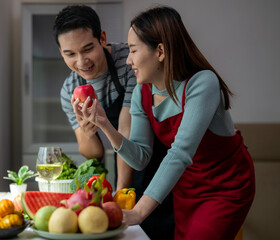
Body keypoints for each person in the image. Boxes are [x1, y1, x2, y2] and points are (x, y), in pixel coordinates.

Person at [72, 5, 256, 240]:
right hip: (187, 186)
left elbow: (180, 152)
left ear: (160, 51)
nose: (128, 60)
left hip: (225, 187)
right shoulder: (142, 92)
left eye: (133, 50)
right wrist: (105, 124)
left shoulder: (203, 83)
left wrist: (139, 212)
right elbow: (140, 158)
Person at [53, 5, 174, 239]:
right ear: (61, 52)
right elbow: (94, 154)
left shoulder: (129, 63)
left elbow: (126, 130)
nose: (82, 61)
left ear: (102, 38)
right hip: (126, 156)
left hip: (156, 155)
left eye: (88, 48)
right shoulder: (69, 89)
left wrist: (120, 196)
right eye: (70, 54)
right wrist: (88, 132)